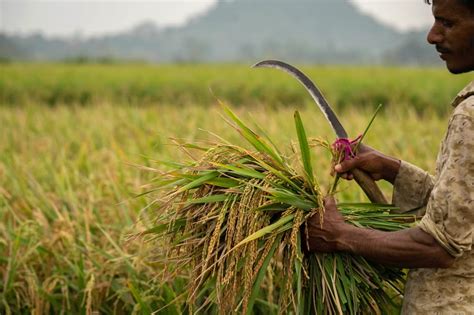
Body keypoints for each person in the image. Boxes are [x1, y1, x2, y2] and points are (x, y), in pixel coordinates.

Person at [304, 0, 474, 313]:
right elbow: (462, 214)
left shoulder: (470, 116)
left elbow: (439, 246)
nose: (432, 36)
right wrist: (392, 169)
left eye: (448, 23)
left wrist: (339, 234)